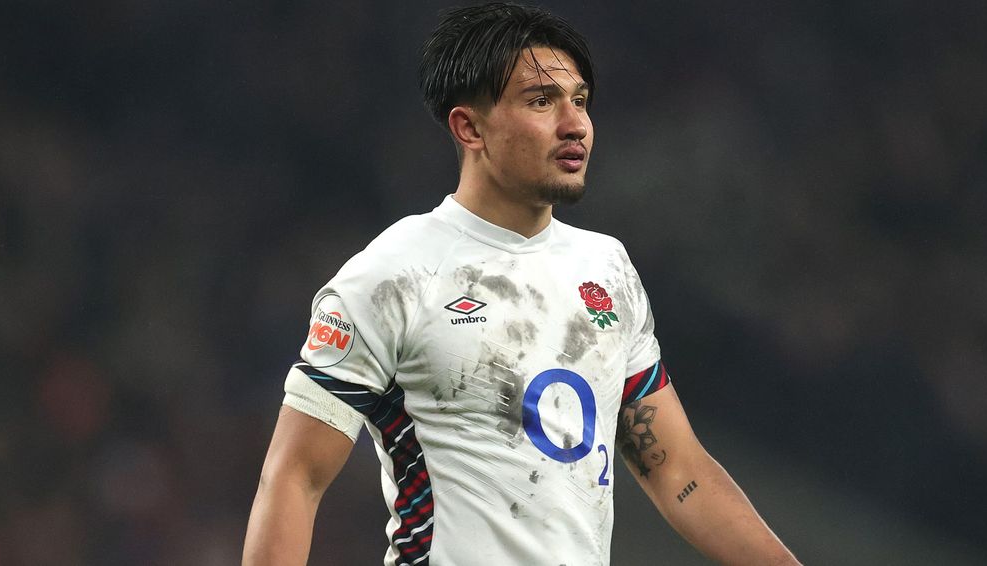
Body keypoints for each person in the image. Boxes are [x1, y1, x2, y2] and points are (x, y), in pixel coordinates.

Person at [242, 3, 800, 565]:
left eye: (580, 100)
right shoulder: (395, 274)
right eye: (541, 101)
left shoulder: (606, 268)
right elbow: (294, 476)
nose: (575, 124)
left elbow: (678, 471)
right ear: (469, 127)